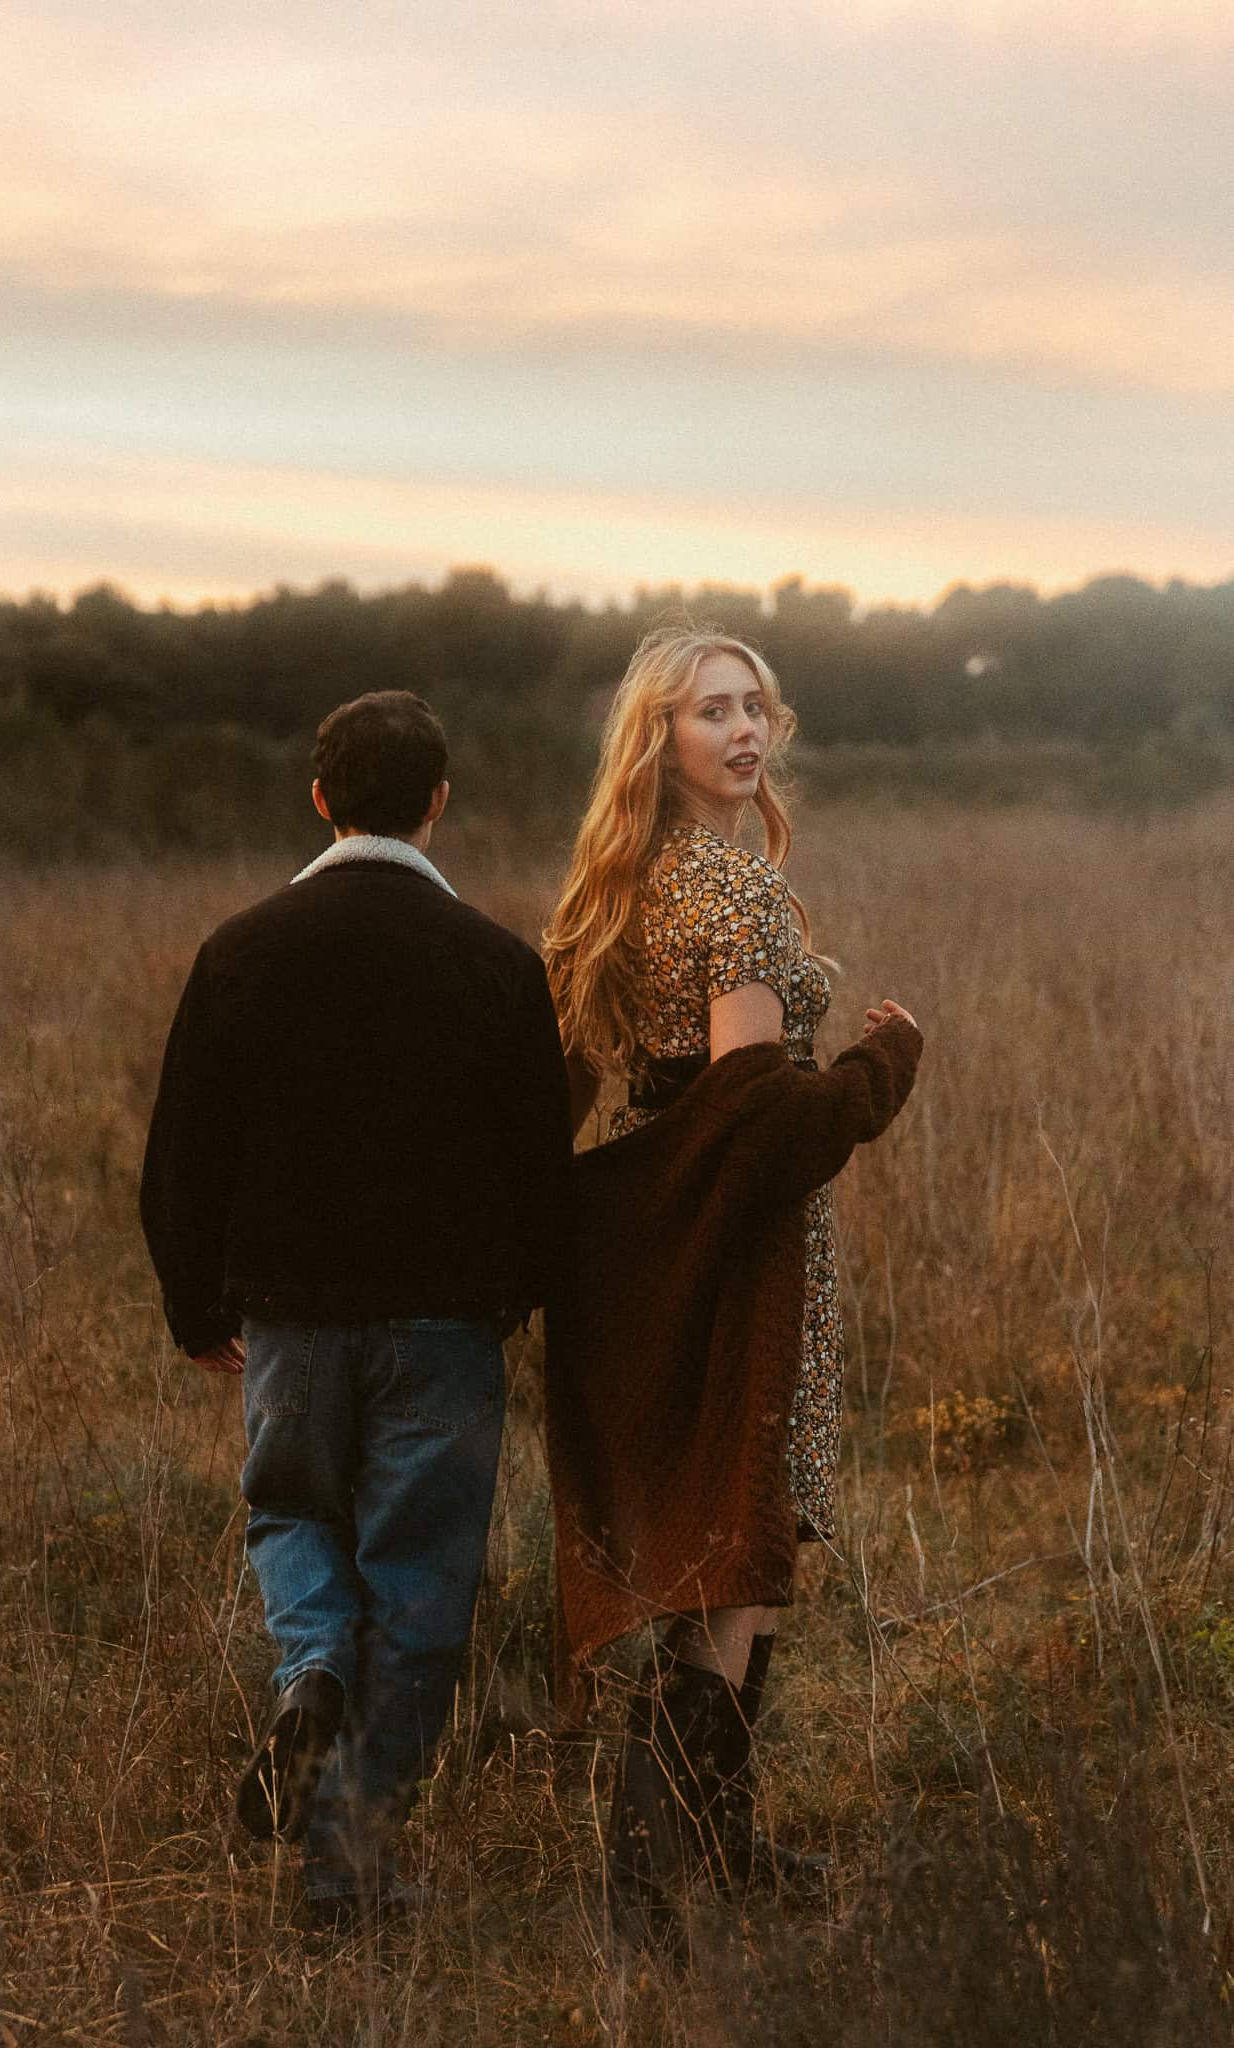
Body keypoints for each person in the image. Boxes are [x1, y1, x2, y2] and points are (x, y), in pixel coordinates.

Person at [139, 690, 572, 1930]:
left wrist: (196, 1306)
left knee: (291, 1511)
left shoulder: (240, 949)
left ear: (320, 795)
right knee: (421, 1584)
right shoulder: (499, 964)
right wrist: (519, 1293)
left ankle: (312, 1665)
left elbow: (182, 1156)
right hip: (445, 1325)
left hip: (287, 1315)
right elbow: (541, 1165)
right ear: (438, 802)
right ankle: (347, 1865)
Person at [541, 627, 922, 1945]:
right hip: (740, 1242)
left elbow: (623, 1088)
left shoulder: (636, 875)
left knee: (725, 1541)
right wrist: (880, 1071)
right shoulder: (733, 890)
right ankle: (645, 1889)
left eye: (753, 705)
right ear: (660, 739)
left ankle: (724, 1847)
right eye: (711, 711)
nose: (745, 730)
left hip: (667, 1225)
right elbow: (755, 1123)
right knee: (737, 1548)